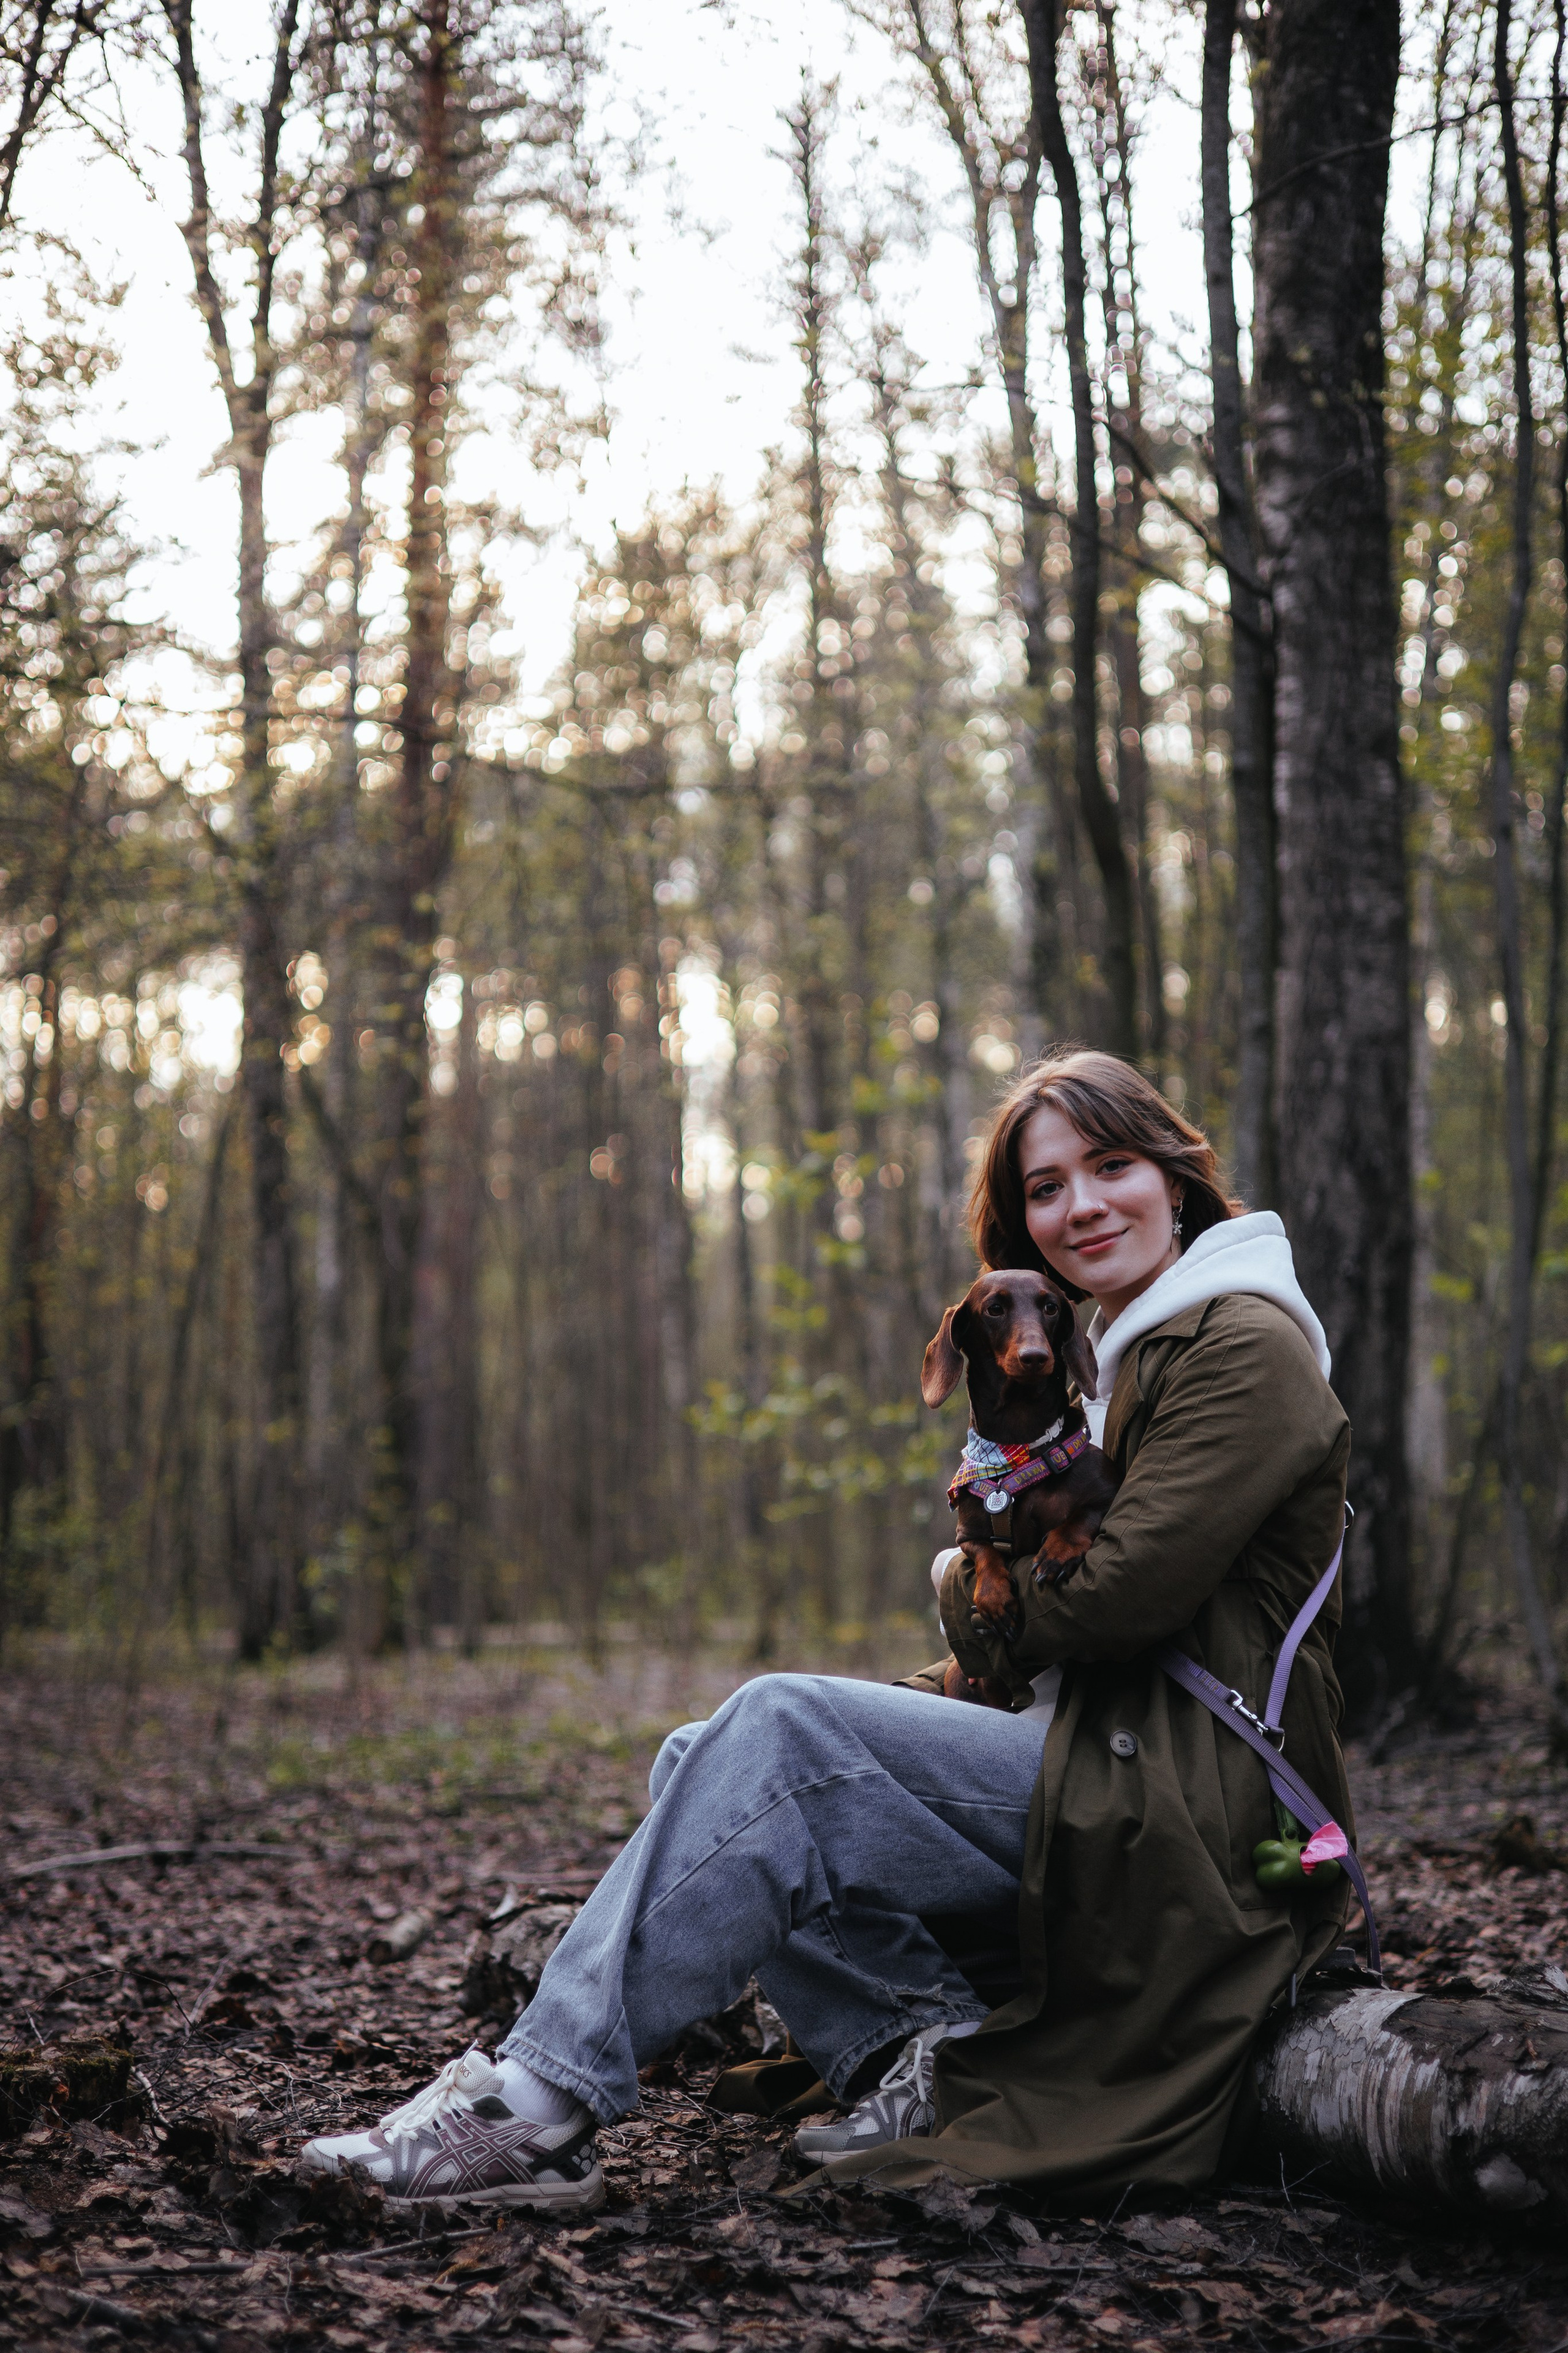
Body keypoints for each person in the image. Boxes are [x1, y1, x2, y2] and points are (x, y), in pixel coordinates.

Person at [298, 1048, 1354, 2210]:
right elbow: (1059, 1636)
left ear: (1177, 1173)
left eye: (1111, 1165)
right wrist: (939, 1673)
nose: (1083, 1204)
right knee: (704, 1755)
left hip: (1187, 1802)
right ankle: (920, 2057)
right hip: (1097, 1757)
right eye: (1047, 1187)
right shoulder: (1112, 1355)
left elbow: (1115, 1606)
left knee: (784, 1733)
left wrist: (960, 1577)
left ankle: (534, 2107)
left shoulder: (1240, 1341)